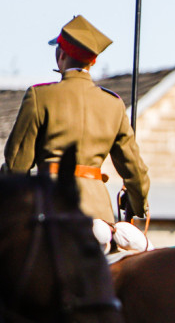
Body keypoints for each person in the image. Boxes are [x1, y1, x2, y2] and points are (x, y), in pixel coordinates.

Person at [4, 15, 150, 233]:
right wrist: (138, 207)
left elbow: (16, 164)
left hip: (49, 206)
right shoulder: (113, 104)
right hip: (101, 217)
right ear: (93, 61)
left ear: (61, 55)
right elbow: (135, 172)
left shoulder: (39, 96)